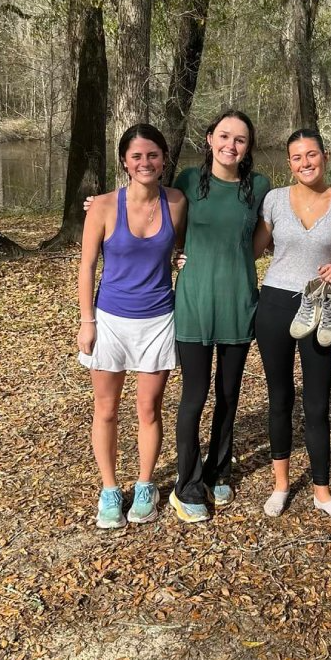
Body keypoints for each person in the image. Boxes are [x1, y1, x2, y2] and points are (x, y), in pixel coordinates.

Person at [78, 124, 186, 529]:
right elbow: (87, 267)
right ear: (124, 161)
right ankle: (109, 490)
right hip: (110, 319)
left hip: (158, 318)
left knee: (148, 409)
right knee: (105, 409)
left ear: (163, 159)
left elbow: (183, 248)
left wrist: (183, 259)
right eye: (137, 156)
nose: (146, 162)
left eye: (153, 155)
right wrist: (87, 321)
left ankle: (144, 485)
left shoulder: (177, 202)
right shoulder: (104, 206)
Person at [169, 110, 270, 523]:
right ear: (209, 138)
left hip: (237, 301)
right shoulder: (188, 182)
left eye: (240, 139)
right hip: (194, 302)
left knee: (229, 395)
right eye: (224, 136)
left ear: (248, 147)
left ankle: (219, 468)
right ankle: (187, 483)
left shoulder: (259, 187)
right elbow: (158, 219)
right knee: (195, 396)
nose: (231, 145)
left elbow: (263, 240)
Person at [253, 129, 331, 523]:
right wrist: (191, 252)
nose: (305, 163)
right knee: (279, 397)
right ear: (289, 163)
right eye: (297, 157)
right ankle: (281, 486)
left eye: (311, 155)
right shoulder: (275, 200)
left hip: (319, 308)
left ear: (325, 157)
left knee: (317, 401)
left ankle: (322, 491)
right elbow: (252, 249)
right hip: (275, 305)